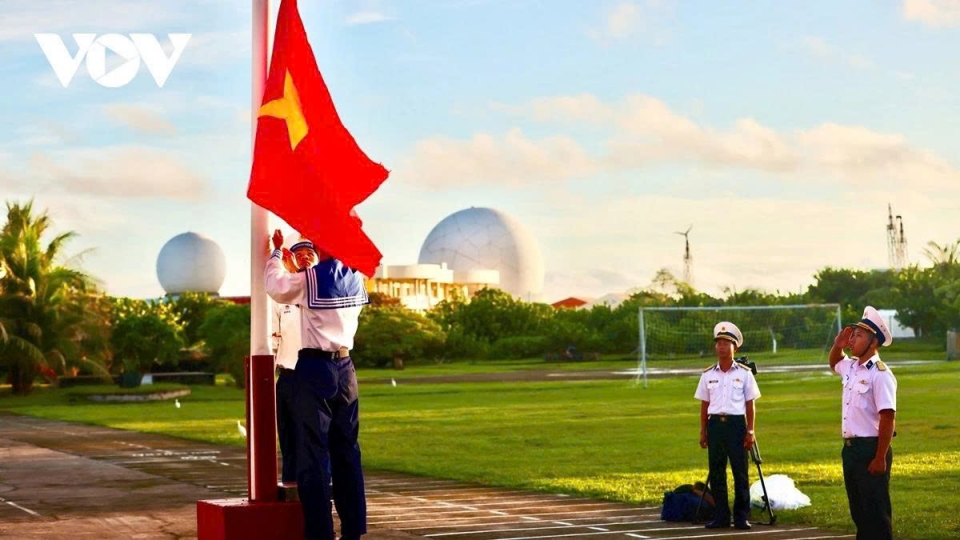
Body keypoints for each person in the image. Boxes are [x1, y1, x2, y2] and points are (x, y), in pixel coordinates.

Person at [264, 229, 369, 540]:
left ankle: (321, 531)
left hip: (316, 367)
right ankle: (353, 529)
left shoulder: (310, 279)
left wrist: (275, 254)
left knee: (314, 452)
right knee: (347, 450)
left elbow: (275, 286)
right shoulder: (356, 276)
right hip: (347, 368)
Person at [829, 306, 897, 540]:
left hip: (872, 448)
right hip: (850, 450)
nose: (852, 340)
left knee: (876, 513)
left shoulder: (880, 374)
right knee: (859, 512)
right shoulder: (851, 367)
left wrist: (880, 457)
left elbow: (887, 417)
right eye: (853, 335)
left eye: (858, 336)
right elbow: (834, 362)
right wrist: (838, 345)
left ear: (873, 342)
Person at [694, 322, 760, 530]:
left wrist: (750, 430)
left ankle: (741, 516)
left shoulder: (744, 373)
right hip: (716, 425)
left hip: (736, 425)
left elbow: (750, 403)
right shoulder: (708, 375)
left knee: (740, 471)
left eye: (726, 343)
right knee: (717, 472)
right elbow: (705, 405)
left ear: (735, 347)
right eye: (719, 343)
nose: (721, 347)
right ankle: (721, 516)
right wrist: (703, 430)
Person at [272, 236, 319, 484]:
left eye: (309, 254)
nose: (304, 258)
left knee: (312, 442)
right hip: (288, 375)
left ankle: (317, 496)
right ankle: (291, 493)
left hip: (314, 373)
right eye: (299, 254)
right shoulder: (282, 297)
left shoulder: (323, 287)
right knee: (289, 441)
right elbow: (272, 337)